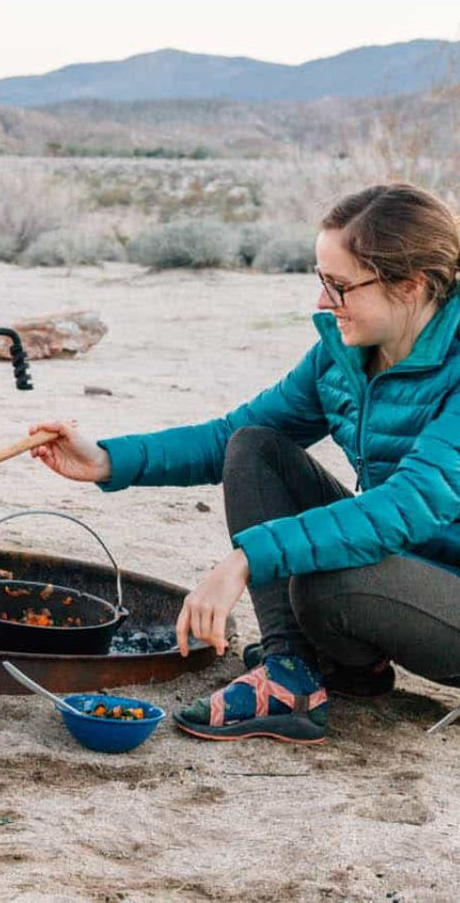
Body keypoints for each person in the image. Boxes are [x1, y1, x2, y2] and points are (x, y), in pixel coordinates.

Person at [31, 182, 460, 743]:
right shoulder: (343, 353)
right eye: (320, 279)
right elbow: (230, 438)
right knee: (255, 447)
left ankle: (319, 662)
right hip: (403, 568)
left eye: (340, 286)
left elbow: (406, 506)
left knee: (323, 588)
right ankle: (297, 670)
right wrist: (109, 460)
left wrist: (245, 559)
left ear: (411, 285)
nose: (322, 302)